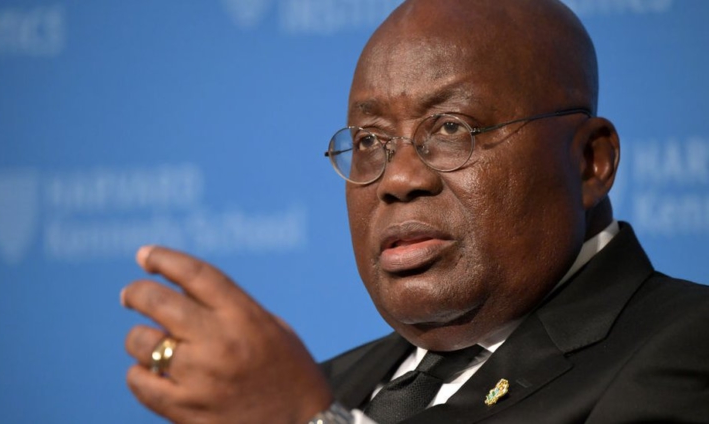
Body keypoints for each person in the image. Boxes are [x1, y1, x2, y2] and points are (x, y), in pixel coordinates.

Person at [120, 0, 709, 422]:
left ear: (589, 163)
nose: (398, 179)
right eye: (370, 140)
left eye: (451, 128)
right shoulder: (332, 383)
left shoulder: (687, 347)